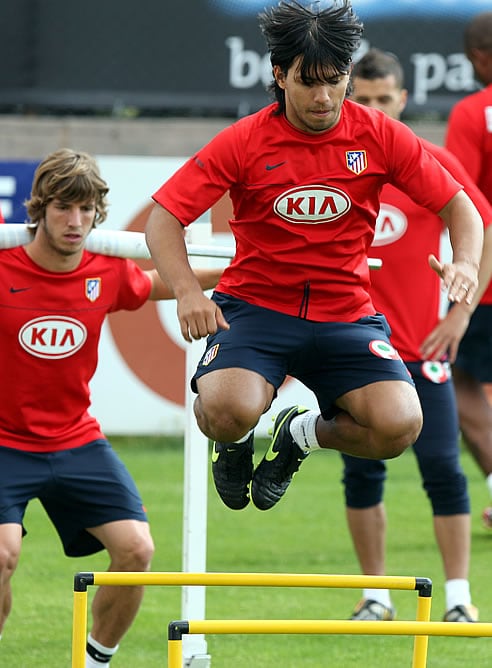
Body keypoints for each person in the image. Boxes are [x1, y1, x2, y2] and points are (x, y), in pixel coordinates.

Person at [145, 0, 483, 516]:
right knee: (225, 410)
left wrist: (463, 262)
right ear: (279, 75)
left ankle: (300, 436)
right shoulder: (244, 140)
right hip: (255, 309)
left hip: (346, 313)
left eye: (336, 79)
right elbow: (163, 218)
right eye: (309, 82)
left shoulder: (379, 133)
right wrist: (189, 291)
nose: (325, 97)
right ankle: (235, 443)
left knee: (400, 427)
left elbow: (463, 208)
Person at [0, 148, 222, 667]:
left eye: (85, 210)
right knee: (2, 555)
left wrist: (245, 268)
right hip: (4, 443)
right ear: (39, 209)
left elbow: (159, 285)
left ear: (98, 213)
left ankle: (96, 659)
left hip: (75, 440)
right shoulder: (3, 267)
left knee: (137, 551)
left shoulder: (107, 271)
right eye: (62, 209)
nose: (75, 222)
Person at [342, 48, 492, 625]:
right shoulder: (332, 165)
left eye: (386, 99)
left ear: (402, 100)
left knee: (444, 471)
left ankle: (458, 597)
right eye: (365, 99)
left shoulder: (430, 161)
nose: (375, 109)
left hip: (421, 348)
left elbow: (480, 228)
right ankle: (374, 594)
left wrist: (460, 314)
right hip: (351, 346)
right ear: (350, 98)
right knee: (361, 471)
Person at [444, 11, 492, 526]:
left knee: (457, 376)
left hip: (488, 281)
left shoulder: (475, 113)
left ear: (480, 57)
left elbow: (469, 206)